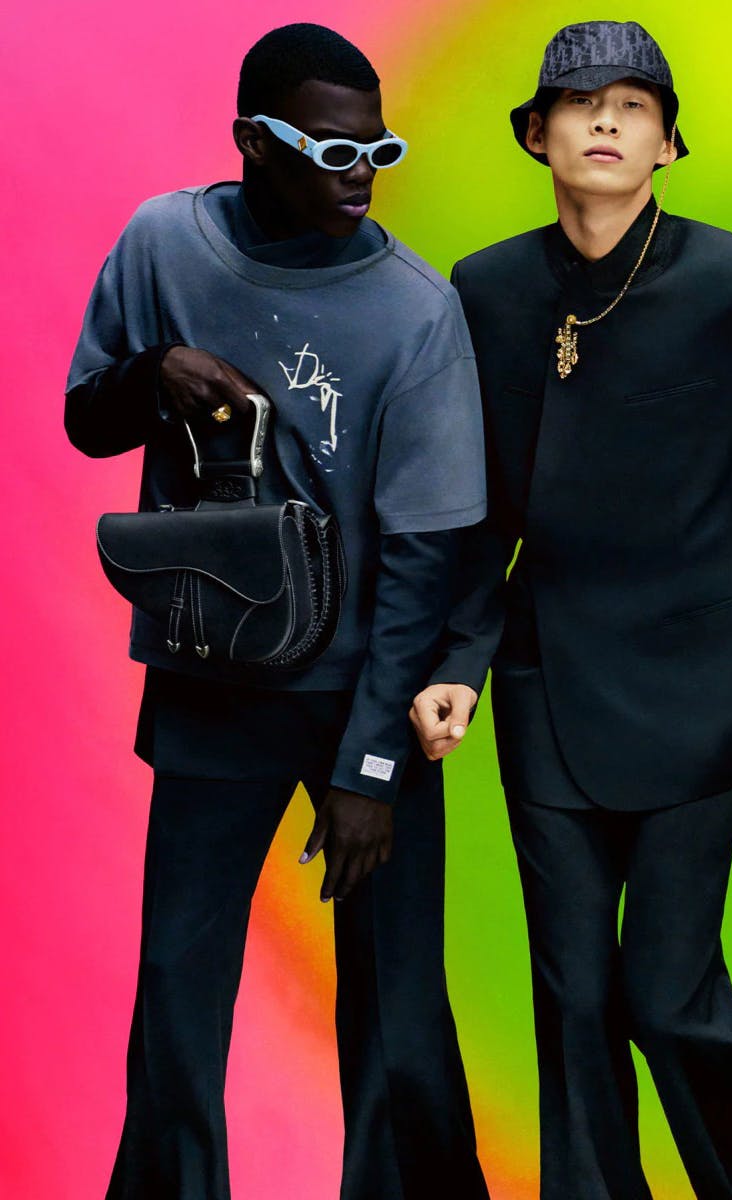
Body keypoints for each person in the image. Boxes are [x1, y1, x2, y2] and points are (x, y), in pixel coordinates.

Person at [410, 19, 732, 1200]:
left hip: (704, 678)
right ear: (536, 135)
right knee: (573, 997)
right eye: (580, 104)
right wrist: (458, 663)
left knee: (665, 992)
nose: (605, 121)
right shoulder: (487, 290)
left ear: (669, 145)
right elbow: (478, 504)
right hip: (546, 673)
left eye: (634, 106)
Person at [65, 23, 490, 1200]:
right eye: (331, 150)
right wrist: (154, 374)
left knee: (399, 1006)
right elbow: (87, 420)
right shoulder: (163, 245)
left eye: (379, 150)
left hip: (366, 694)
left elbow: (426, 560)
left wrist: (370, 767)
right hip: (209, 685)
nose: (362, 174)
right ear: (253, 141)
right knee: (178, 993)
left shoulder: (417, 312)